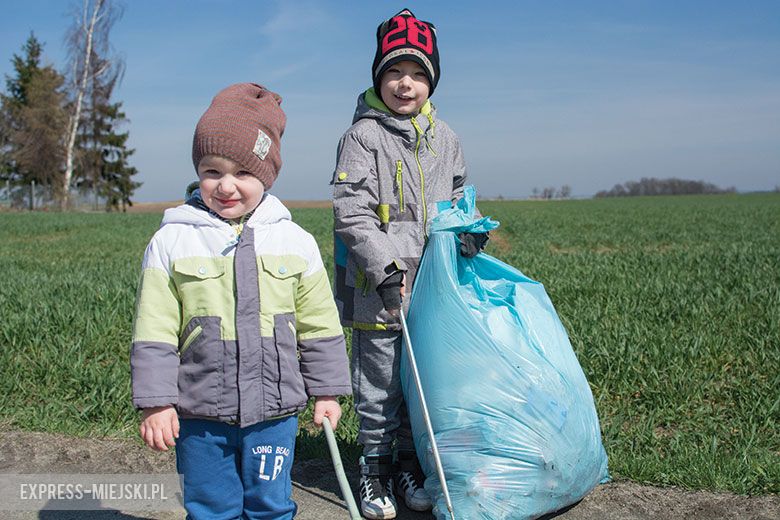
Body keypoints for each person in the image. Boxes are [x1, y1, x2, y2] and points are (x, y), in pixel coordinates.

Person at [131, 83, 351, 520]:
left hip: (274, 414)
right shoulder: (172, 240)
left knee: (270, 506)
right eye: (212, 171)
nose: (226, 186)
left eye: (243, 174)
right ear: (198, 170)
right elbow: (153, 329)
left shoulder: (295, 241)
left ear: (267, 176)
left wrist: (327, 391)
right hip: (200, 415)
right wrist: (156, 402)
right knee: (211, 507)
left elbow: (319, 323)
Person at [331, 9, 488, 519]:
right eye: (396, 70)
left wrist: (471, 229)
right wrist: (386, 269)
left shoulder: (447, 138)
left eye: (419, 73)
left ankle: (406, 464)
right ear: (379, 76)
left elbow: (460, 193)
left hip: (433, 288)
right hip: (379, 288)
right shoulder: (362, 138)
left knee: (420, 382)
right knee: (379, 386)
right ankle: (372, 470)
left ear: (432, 81)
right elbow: (350, 213)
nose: (407, 83)